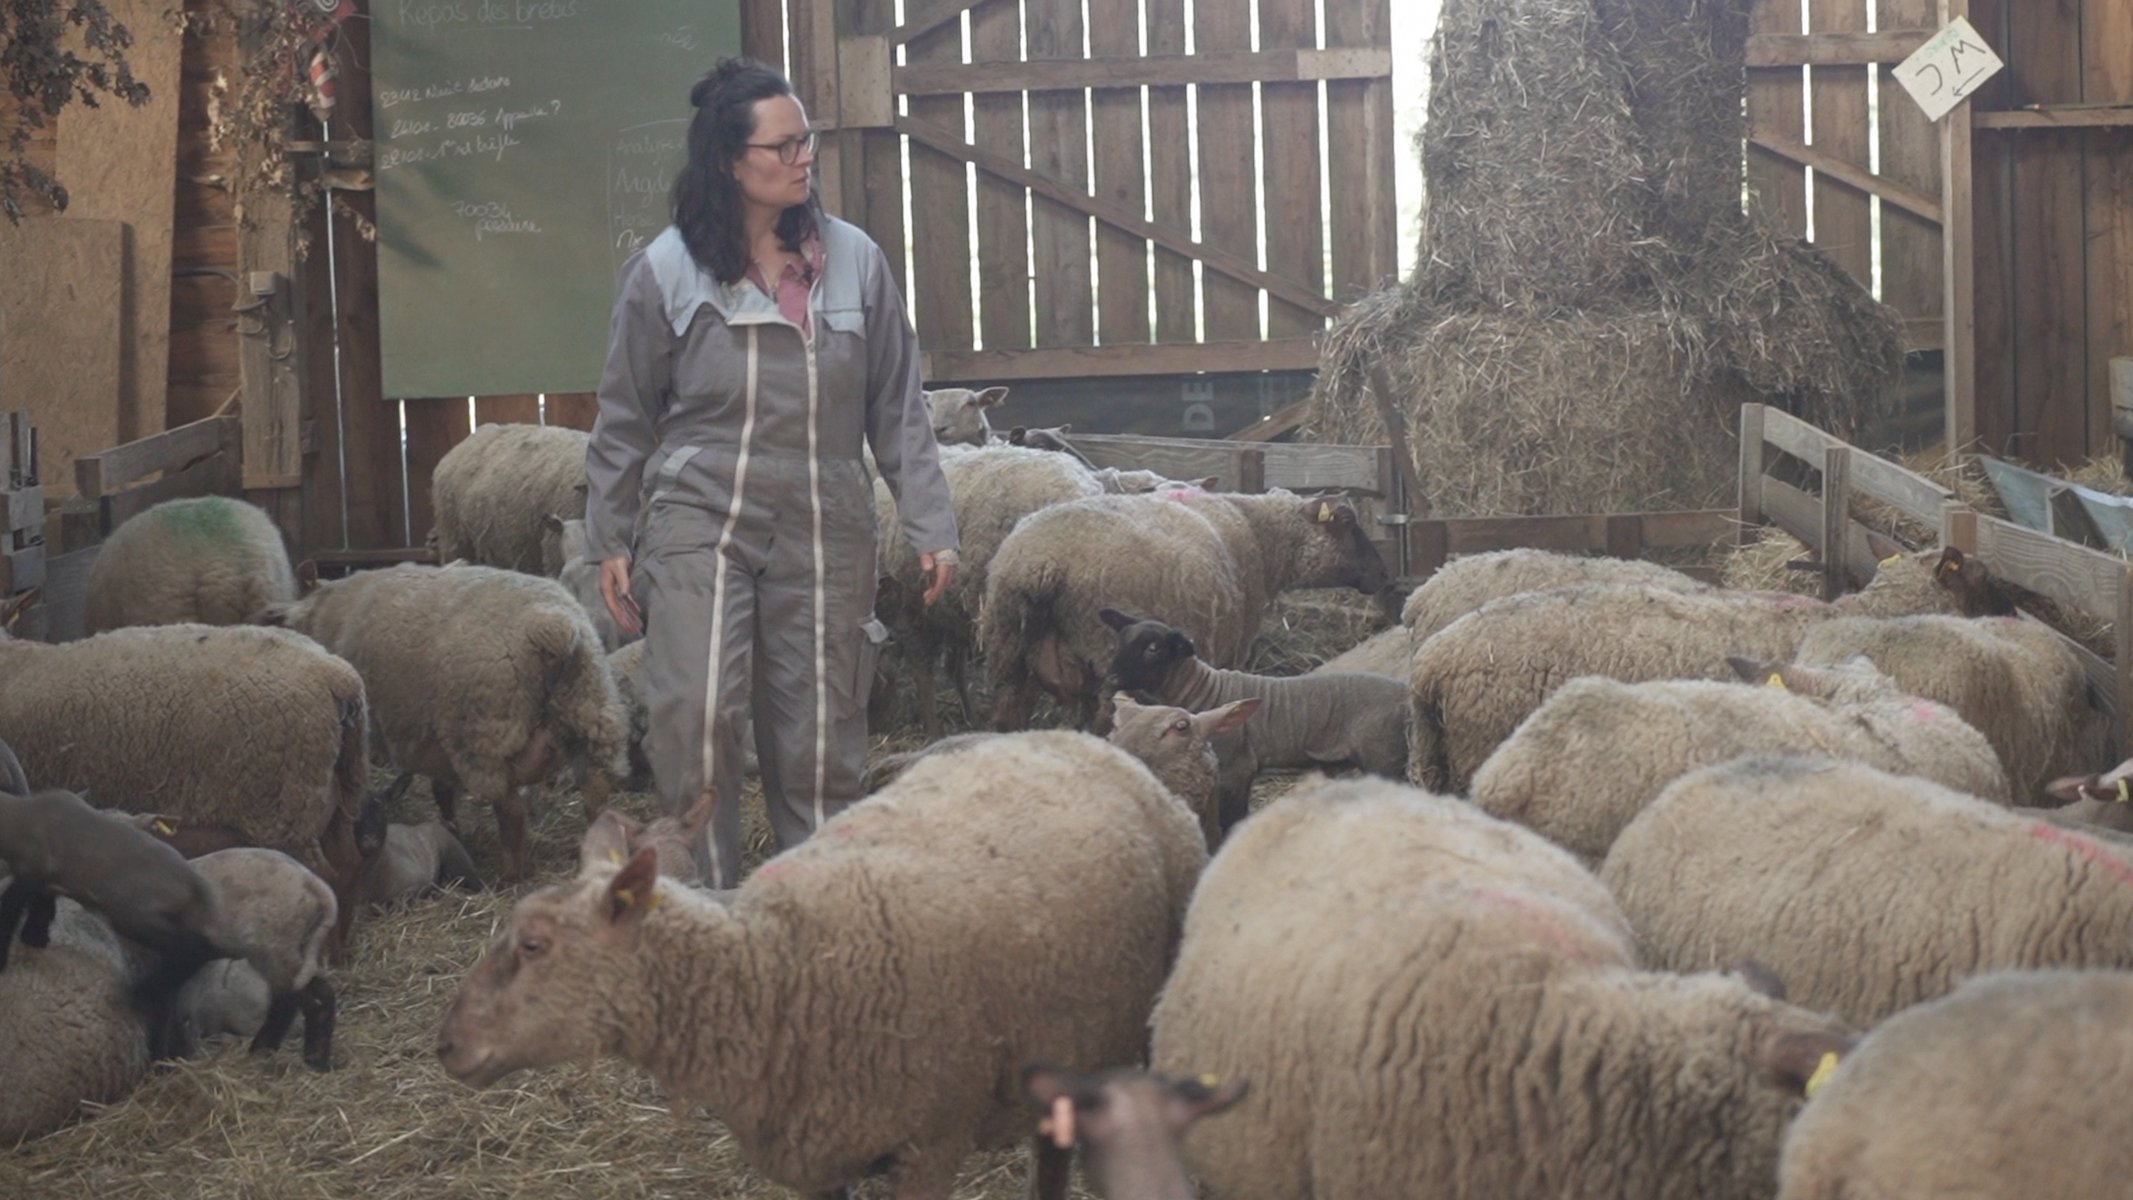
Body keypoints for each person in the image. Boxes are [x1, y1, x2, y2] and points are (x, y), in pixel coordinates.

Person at [583, 57, 959, 887]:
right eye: (782, 146)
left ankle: (813, 910)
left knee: (820, 731)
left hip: (825, 514)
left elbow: (897, 404)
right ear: (729, 160)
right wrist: (608, 534)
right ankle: (706, 908)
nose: (803, 158)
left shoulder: (855, 260)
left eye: (806, 141)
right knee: (695, 710)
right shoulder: (666, 269)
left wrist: (930, 523)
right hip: (699, 511)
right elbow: (624, 413)